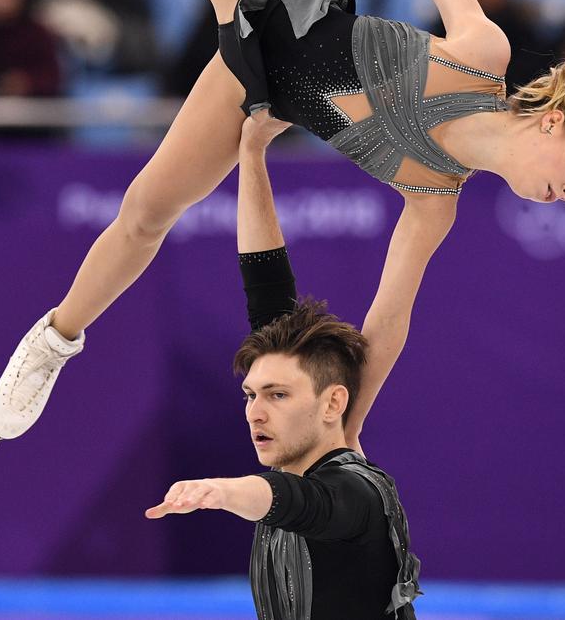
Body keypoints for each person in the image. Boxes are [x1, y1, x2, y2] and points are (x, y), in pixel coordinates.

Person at [0, 0, 565, 454]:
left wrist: (347, 431)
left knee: (147, 214)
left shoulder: (437, 198)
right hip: (284, 6)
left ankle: (54, 338)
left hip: (256, 89)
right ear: (552, 122)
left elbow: (386, 322)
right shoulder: (483, 58)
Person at [145, 110, 422, 620]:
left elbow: (292, 501)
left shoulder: (353, 493)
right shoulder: (309, 445)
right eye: (252, 395)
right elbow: (266, 289)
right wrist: (251, 154)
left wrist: (220, 491)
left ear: (332, 403)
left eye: (277, 396)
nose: (254, 411)